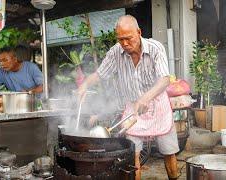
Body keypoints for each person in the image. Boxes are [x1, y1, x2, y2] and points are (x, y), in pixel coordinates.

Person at [77, 15, 179, 179]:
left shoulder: (155, 48)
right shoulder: (116, 52)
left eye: (128, 38)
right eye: (120, 39)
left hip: (158, 106)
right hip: (133, 109)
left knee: (169, 152)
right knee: (133, 156)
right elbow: (100, 74)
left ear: (139, 32)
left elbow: (165, 79)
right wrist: (84, 85)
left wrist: (145, 98)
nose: (124, 43)